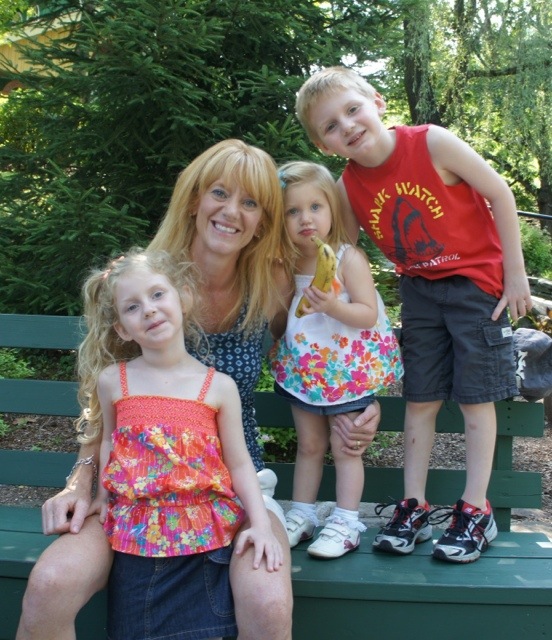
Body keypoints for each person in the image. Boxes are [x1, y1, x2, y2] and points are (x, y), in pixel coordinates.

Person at [17, 139, 382, 640]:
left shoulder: (271, 282)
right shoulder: (148, 285)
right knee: (50, 584)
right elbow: (107, 399)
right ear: (194, 199)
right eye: (219, 193)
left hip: (239, 484)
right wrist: (81, 482)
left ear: (262, 220)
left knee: (269, 603)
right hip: (136, 490)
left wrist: (357, 404)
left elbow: (313, 348)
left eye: (250, 202)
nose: (232, 212)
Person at [294, 67, 533, 564]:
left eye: (352, 110)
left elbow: (500, 193)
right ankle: (414, 505)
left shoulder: (431, 143)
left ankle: (475, 509)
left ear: (377, 101)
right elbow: (344, 256)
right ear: (323, 144)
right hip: (418, 292)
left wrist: (515, 275)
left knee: (475, 400)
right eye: (331, 126)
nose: (347, 126)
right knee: (420, 398)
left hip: (476, 287)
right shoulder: (347, 186)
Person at [86, 248, 284, 639]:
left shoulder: (218, 387)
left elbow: (239, 464)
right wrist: (102, 497)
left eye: (158, 294)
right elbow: (109, 441)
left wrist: (261, 524)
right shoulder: (113, 381)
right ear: (122, 329)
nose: (149, 309)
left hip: (204, 546)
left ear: (183, 298)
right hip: (135, 543)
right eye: (132, 307)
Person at [270, 161, 403, 559]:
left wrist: (332, 306)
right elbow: (282, 320)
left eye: (315, 207)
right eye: (293, 211)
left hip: (347, 370)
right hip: (305, 370)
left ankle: (346, 521)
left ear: (332, 209)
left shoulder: (347, 258)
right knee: (309, 445)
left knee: (347, 446)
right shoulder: (286, 263)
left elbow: (367, 313)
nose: (305, 219)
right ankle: (302, 514)